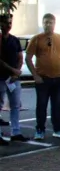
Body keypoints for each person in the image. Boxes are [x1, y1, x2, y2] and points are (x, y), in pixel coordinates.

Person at [26, 14, 60, 140]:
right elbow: (28, 58)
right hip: (43, 78)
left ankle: (57, 129)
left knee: (56, 105)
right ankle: (40, 130)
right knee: (41, 105)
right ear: (42, 23)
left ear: (54, 24)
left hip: (58, 78)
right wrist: (35, 75)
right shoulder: (36, 39)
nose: (48, 25)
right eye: (46, 22)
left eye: (50, 22)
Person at [0, 14, 26, 144]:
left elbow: (20, 57)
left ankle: (15, 132)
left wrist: (16, 73)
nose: (8, 25)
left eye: (10, 23)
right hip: (1, 78)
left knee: (15, 105)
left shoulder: (14, 40)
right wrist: (13, 70)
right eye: (5, 23)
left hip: (13, 79)